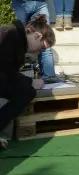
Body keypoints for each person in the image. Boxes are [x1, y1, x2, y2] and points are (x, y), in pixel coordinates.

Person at [0, 15, 55, 148]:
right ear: (37, 36)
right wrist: (30, 81)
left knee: (27, 92)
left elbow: (10, 74)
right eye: (41, 48)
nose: (38, 53)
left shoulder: (18, 42)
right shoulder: (10, 35)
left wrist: (29, 83)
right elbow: (5, 70)